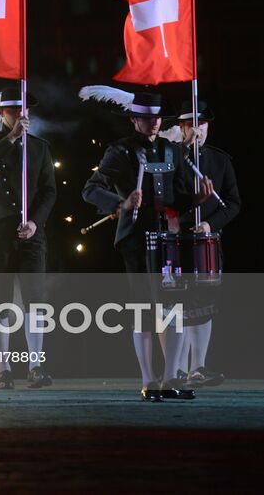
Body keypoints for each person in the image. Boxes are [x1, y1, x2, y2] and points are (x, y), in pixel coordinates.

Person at [81, 87, 196, 401]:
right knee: (145, 309)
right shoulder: (120, 151)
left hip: (169, 240)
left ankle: (170, 378)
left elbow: (179, 196)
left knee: (172, 309)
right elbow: (90, 189)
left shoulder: (172, 151)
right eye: (146, 118)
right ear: (134, 120)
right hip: (135, 238)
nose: (154, 122)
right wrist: (122, 202)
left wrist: (197, 199)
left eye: (157, 117)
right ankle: (148, 380)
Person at [0, 88, 56, 391]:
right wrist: (11, 138)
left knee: (35, 298)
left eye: (23, 110)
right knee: (1, 298)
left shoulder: (40, 147)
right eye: (12, 111)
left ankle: (35, 365)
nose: (20, 115)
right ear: (1, 114)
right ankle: (3, 368)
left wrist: (35, 222)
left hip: (30, 228)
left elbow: (49, 191)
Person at [165, 99, 240, 388]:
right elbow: (163, 192)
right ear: (182, 127)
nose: (198, 130)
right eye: (191, 124)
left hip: (205, 238)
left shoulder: (220, 160)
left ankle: (198, 367)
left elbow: (233, 203)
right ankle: (177, 368)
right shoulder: (171, 157)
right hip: (176, 239)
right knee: (177, 305)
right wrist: (183, 150)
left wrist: (210, 224)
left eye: (202, 124)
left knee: (203, 304)